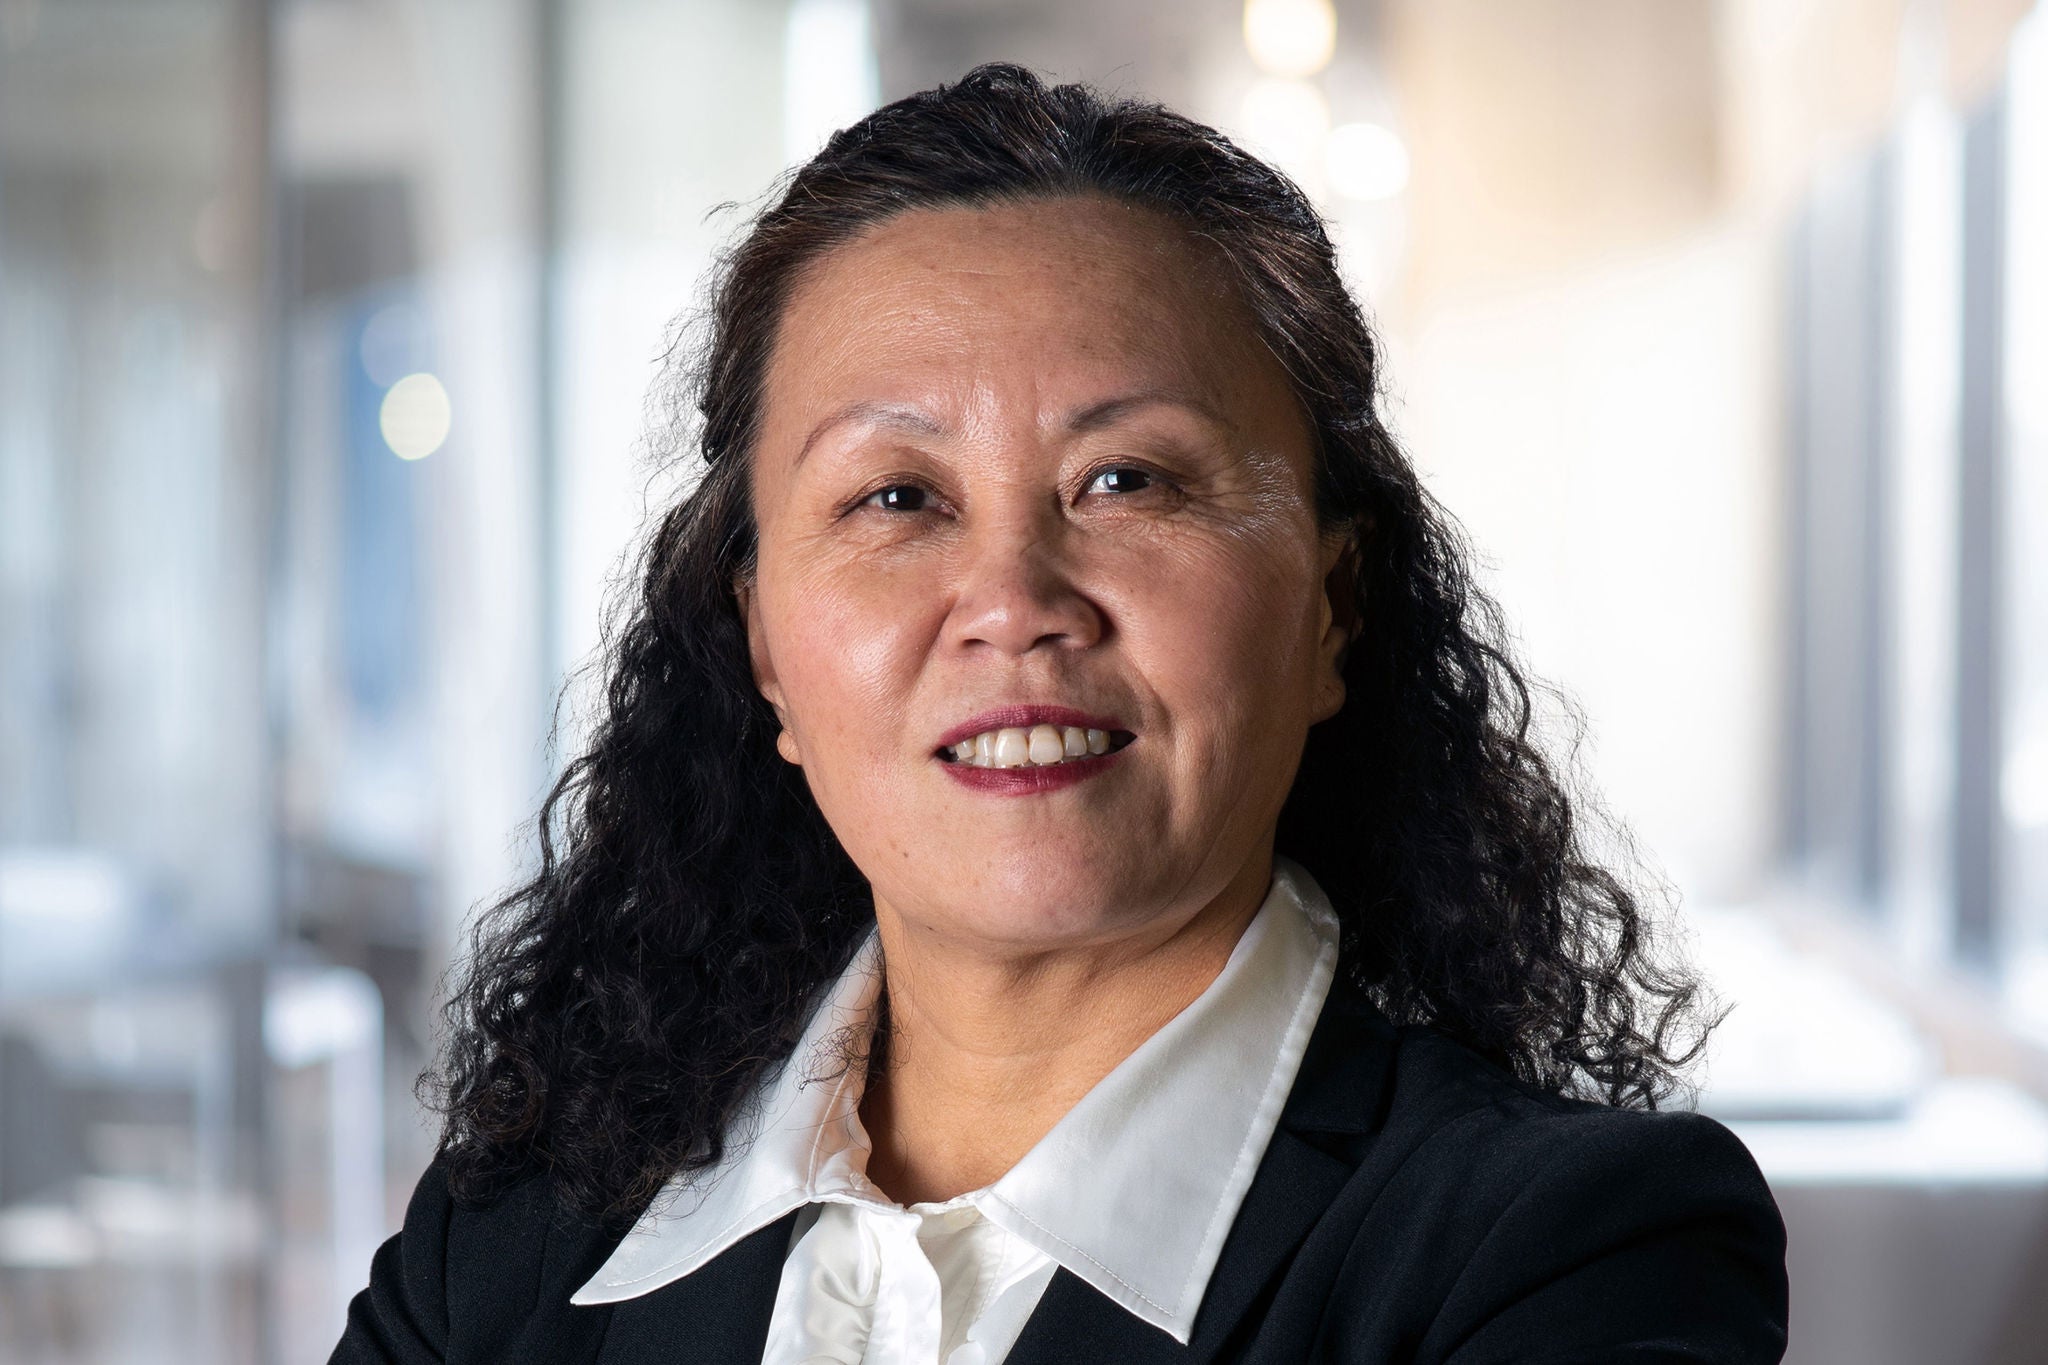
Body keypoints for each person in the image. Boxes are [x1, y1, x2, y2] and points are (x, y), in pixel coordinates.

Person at [331, 63, 1788, 1365]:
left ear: (1333, 608)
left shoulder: (1565, 1259)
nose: (1014, 600)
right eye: (896, 497)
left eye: (1126, 481)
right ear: (762, 648)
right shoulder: (516, 1235)